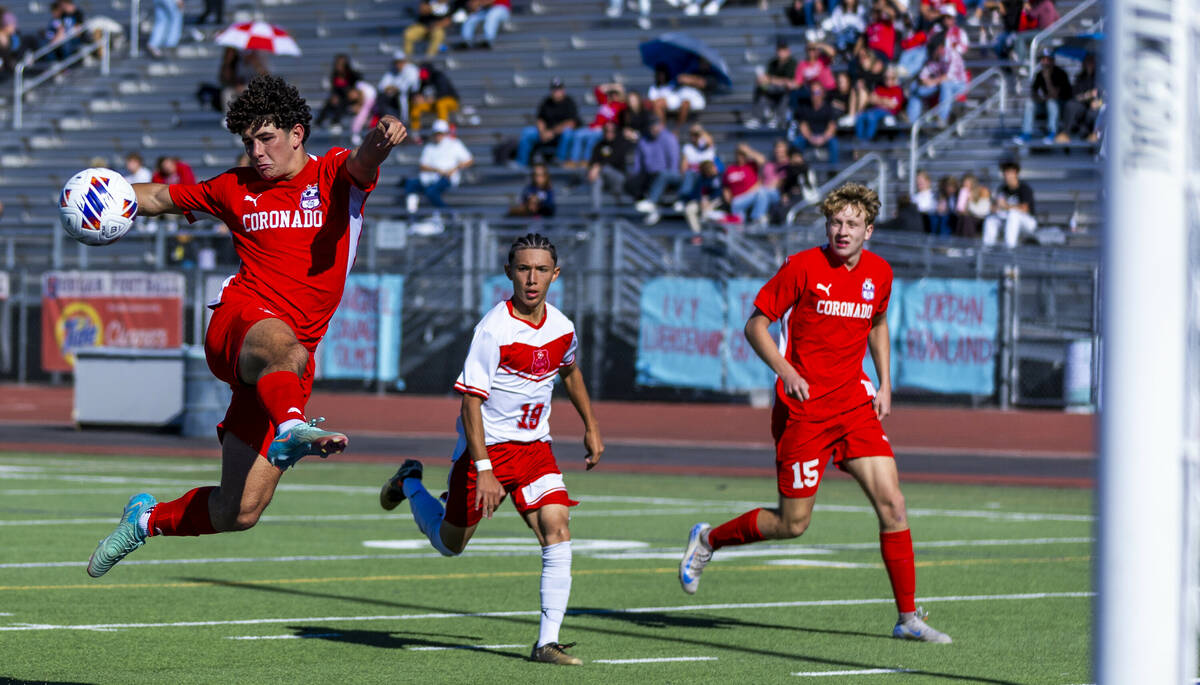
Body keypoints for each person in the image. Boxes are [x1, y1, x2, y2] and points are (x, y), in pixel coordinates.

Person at [85, 74, 408, 578]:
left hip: (283, 366)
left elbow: (366, 159)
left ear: (297, 134)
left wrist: (381, 134)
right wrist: (103, 194)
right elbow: (160, 199)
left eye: (266, 139)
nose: (256, 152)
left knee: (239, 511)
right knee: (285, 349)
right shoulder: (234, 187)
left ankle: (144, 520)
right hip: (240, 324)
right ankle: (293, 427)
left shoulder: (334, 175)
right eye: (248, 142)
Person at [678, 182, 953, 644]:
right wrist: (785, 370)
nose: (842, 231)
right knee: (794, 524)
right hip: (804, 411)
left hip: (855, 406)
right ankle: (708, 540)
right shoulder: (803, 266)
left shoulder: (880, 274)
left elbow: (878, 324)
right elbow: (755, 325)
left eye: (852, 223)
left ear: (869, 229)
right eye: (835, 222)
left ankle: (908, 619)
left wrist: (885, 383)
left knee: (894, 504)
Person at [379, 232, 603, 665]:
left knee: (556, 527)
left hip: (537, 449)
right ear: (509, 273)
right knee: (450, 545)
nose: (531, 279)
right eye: (523, 269)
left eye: (541, 270)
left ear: (555, 275)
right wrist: (483, 468)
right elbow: (470, 404)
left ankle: (546, 643)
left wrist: (592, 427)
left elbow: (570, 372)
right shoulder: (493, 330)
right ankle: (409, 483)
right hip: (489, 452)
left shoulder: (563, 326)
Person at [404, 119, 473, 211]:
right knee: (410, 185)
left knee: (431, 192)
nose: (438, 136)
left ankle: (448, 212)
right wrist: (437, 170)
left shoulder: (455, 144)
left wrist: (454, 169)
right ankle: (412, 214)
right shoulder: (429, 147)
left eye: (440, 133)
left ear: (445, 133)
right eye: (436, 133)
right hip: (430, 177)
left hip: (447, 178)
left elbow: (469, 160)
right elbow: (422, 165)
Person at [517, 78, 580, 167]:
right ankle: (521, 163)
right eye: (554, 89)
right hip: (545, 133)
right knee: (527, 132)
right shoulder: (546, 102)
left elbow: (571, 123)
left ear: (563, 90)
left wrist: (552, 132)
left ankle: (560, 160)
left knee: (568, 133)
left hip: (559, 134)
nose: (556, 92)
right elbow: (540, 119)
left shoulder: (569, 102)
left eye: (559, 89)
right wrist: (542, 132)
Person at [906, 35, 967, 127]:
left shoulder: (952, 54)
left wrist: (932, 81)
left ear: (940, 48)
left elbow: (950, 76)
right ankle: (912, 123)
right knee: (915, 88)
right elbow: (924, 75)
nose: (932, 52)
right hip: (939, 85)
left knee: (945, 85)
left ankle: (942, 118)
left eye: (934, 49)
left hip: (958, 85)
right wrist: (925, 81)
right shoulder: (935, 58)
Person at [630, 116, 681, 225]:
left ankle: (652, 203)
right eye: (652, 127)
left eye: (656, 126)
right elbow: (638, 163)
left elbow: (673, 161)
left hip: (668, 174)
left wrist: (668, 175)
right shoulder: (643, 141)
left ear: (661, 126)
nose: (654, 129)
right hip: (650, 174)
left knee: (662, 176)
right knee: (632, 182)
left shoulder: (669, 138)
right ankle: (649, 208)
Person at [1017, 49, 1071, 144]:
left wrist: (1047, 78)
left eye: (1047, 59)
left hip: (1061, 105)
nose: (1045, 62)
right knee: (1030, 104)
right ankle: (1026, 133)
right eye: (1043, 59)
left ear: (1052, 60)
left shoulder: (1061, 74)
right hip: (1046, 103)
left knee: (1051, 103)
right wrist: (1039, 98)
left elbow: (1055, 94)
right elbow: (1034, 91)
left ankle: (1052, 132)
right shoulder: (1039, 74)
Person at [982, 160, 1037, 247]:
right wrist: (995, 208)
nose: (1006, 175)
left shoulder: (1024, 188)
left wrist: (1006, 206)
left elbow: (1025, 209)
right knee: (991, 219)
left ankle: (1009, 249)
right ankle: (987, 248)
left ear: (1015, 173)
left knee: (1013, 215)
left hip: (1028, 222)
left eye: (1008, 172)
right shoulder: (1002, 189)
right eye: (1005, 172)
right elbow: (996, 206)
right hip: (1008, 220)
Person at [749, 38, 798, 129]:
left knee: (783, 92)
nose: (781, 52)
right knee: (760, 88)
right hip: (772, 91)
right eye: (779, 50)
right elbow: (766, 79)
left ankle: (777, 118)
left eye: (783, 49)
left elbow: (789, 82)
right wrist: (761, 80)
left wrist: (771, 80)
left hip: (785, 92)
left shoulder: (792, 63)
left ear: (788, 51)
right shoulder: (772, 63)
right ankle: (758, 117)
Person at [587, 121, 633, 212]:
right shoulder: (599, 145)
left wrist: (598, 167)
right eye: (607, 131)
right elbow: (593, 161)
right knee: (596, 181)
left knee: (605, 169)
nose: (609, 133)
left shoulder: (621, 144)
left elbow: (615, 160)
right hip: (604, 179)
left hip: (619, 177)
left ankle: (618, 197)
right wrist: (594, 169)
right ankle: (596, 211)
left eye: (612, 131)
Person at [789, 82, 840, 165]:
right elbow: (803, 126)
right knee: (797, 142)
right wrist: (811, 138)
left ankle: (833, 170)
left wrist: (823, 138)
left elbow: (832, 127)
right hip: (809, 137)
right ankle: (799, 168)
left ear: (823, 94)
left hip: (824, 137)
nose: (814, 95)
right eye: (812, 92)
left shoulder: (829, 108)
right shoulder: (804, 108)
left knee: (834, 143)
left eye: (817, 92)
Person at [315, 54, 362, 134]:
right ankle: (318, 123)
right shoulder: (334, 76)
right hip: (339, 97)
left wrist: (356, 97)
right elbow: (334, 90)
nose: (339, 67)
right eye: (337, 64)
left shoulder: (353, 75)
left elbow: (360, 88)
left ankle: (335, 122)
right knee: (329, 103)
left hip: (349, 99)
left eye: (341, 65)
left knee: (342, 102)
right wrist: (333, 97)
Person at [409, 62, 460, 135]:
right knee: (416, 106)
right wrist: (416, 97)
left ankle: (443, 129)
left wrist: (428, 99)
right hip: (433, 104)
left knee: (441, 104)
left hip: (450, 101)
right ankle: (415, 132)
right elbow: (418, 92)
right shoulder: (423, 80)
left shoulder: (438, 76)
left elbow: (443, 93)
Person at [375, 51, 421, 125]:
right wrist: (391, 88)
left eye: (400, 62)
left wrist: (393, 88)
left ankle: (405, 123)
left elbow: (407, 86)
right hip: (396, 99)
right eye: (397, 62)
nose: (398, 64)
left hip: (411, 97)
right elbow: (381, 86)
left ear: (404, 61)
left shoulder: (411, 69)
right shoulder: (392, 71)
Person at [682, 159, 723, 241]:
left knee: (706, 213)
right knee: (689, 209)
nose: (715, 169)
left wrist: (708, 199)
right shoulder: (701, 178)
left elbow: (719, 192)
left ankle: (708, 236)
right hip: (702, 201)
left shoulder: (718, 177)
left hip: (716, 200)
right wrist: (701, 200)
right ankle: (697, 233)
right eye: (712, 167)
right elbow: (696, 193)